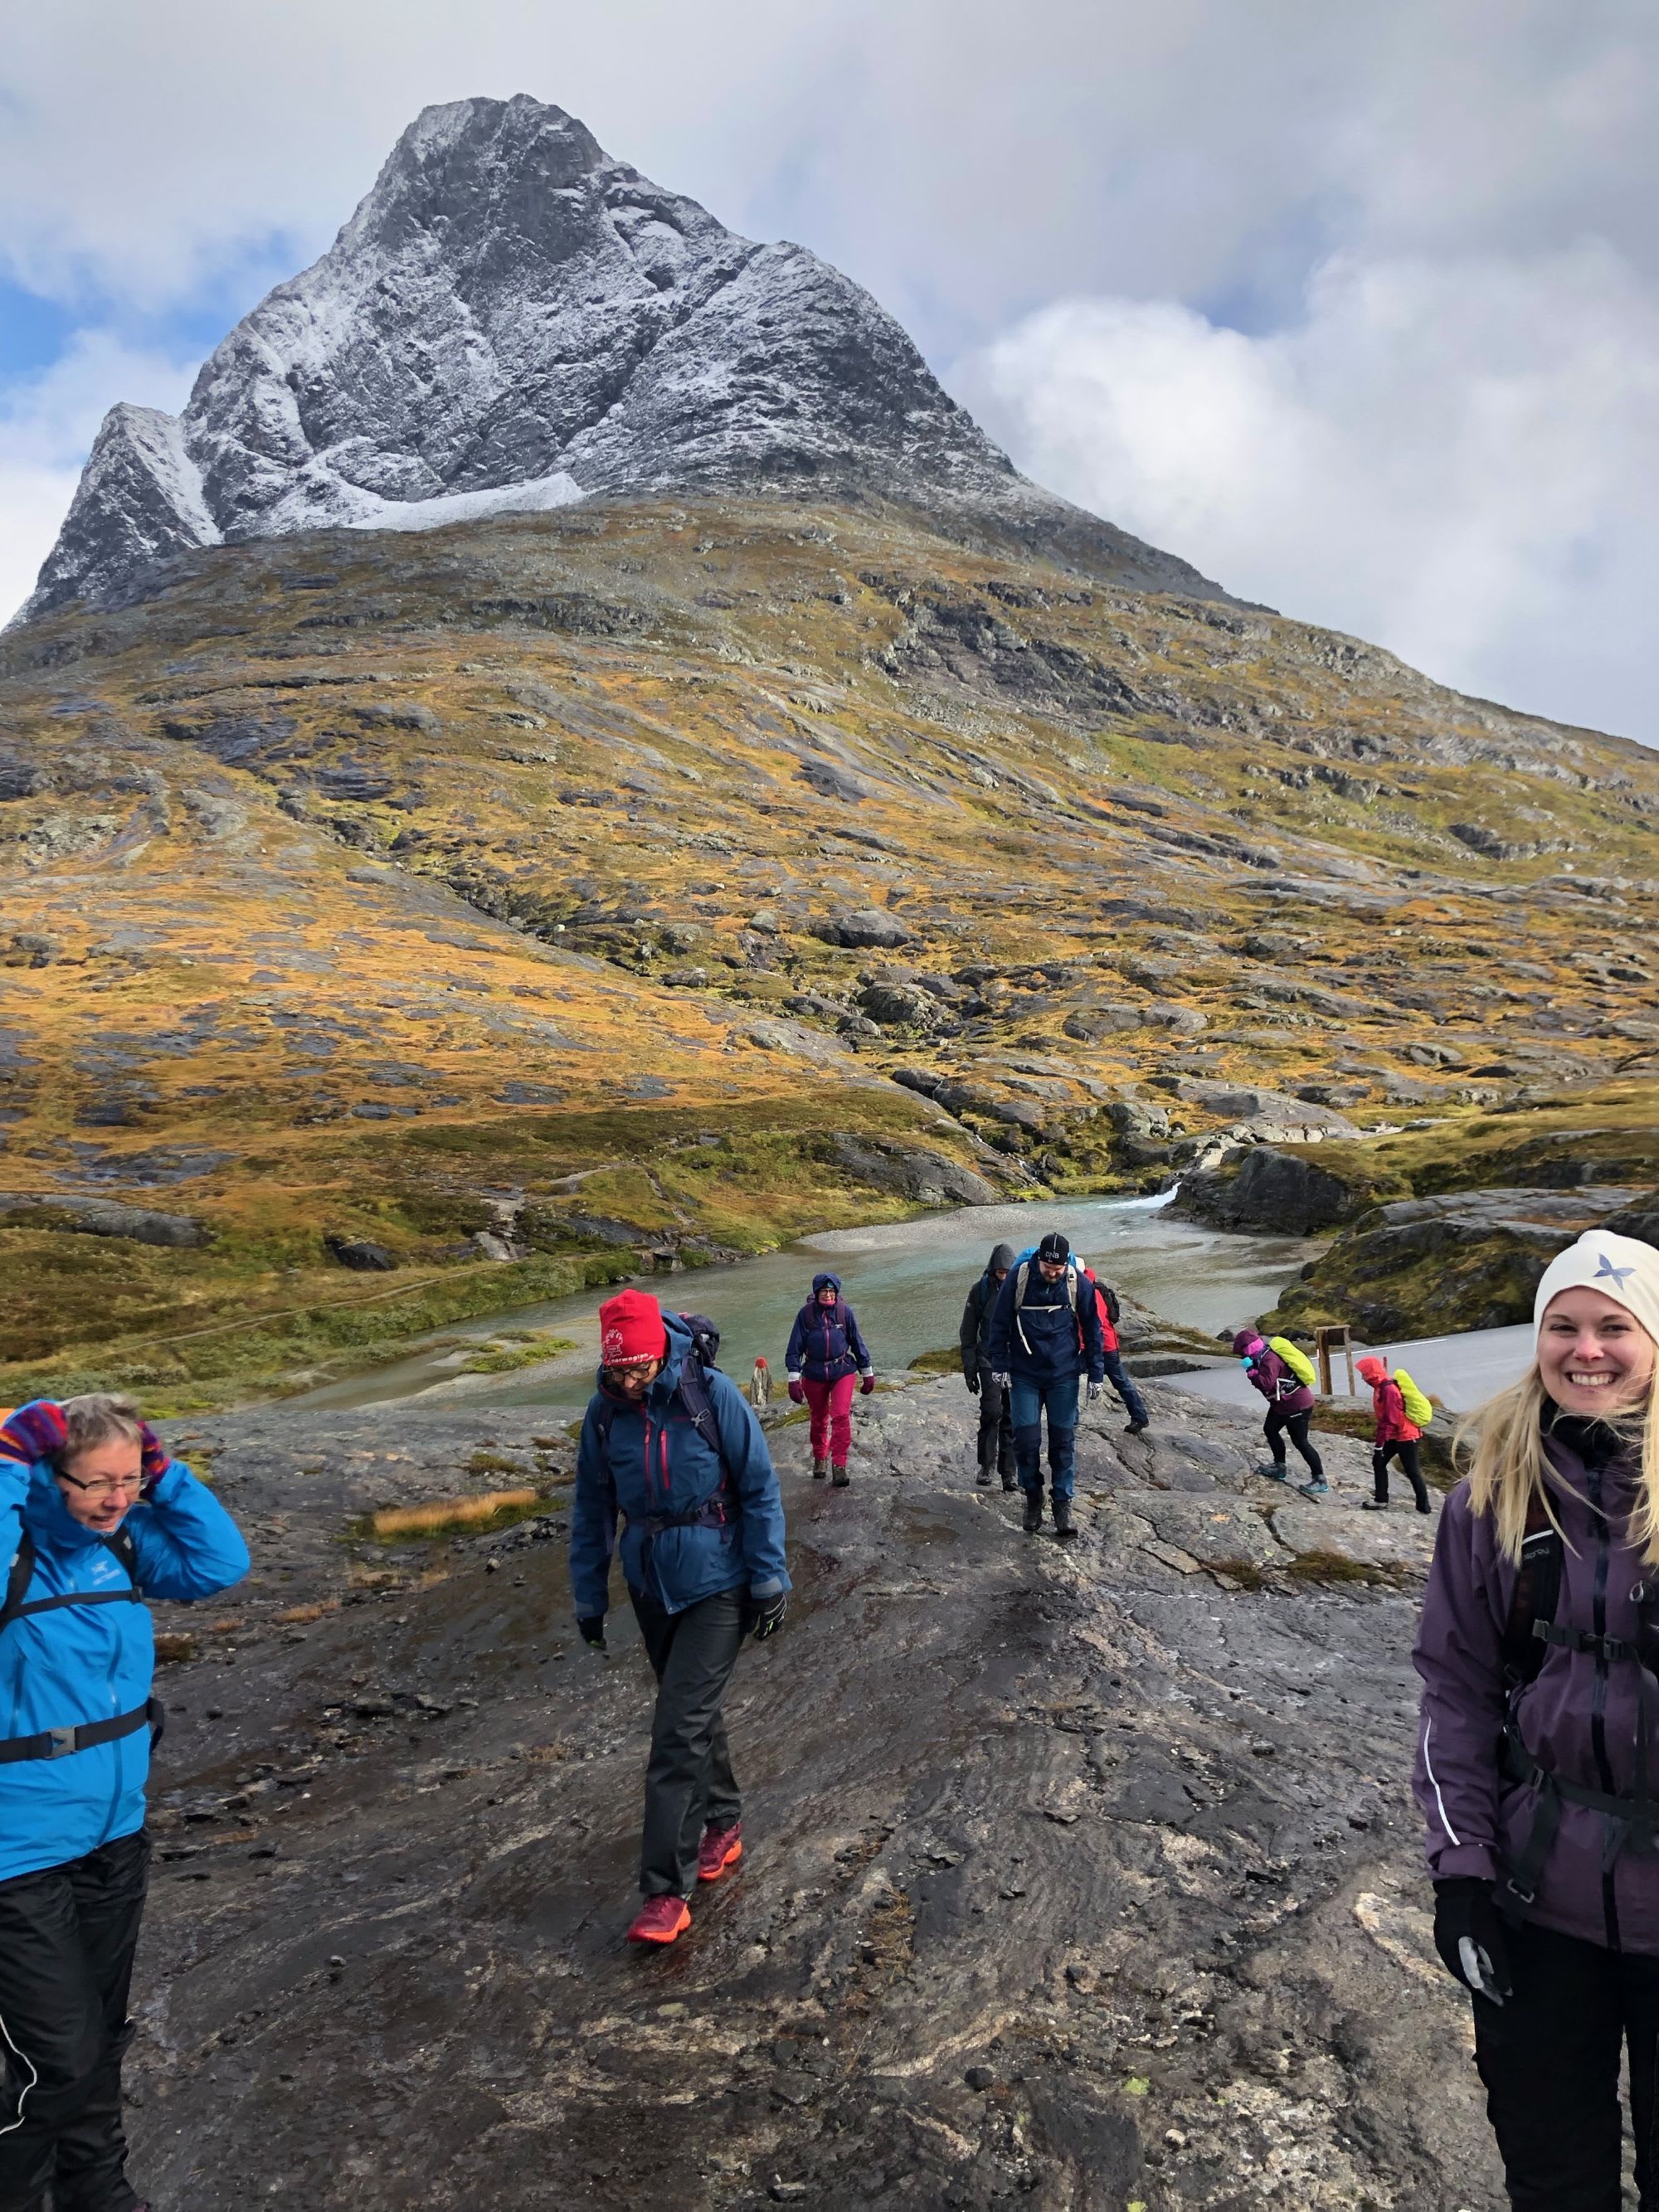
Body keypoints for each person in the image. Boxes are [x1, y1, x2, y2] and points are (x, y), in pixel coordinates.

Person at [1413, 1228, 1659, 2210]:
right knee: (1552, 2178)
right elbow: (1454, 1693)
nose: (1584, 1351)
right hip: (1536, 1901)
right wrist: (1461, 1877)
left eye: (1612, 1328)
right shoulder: (1488, 1500)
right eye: (1561, 1327)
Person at [0, 1393, 250, 2212]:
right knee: (54, 2059)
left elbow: (220, 1566)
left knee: (100, 2040)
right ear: (44, 1472)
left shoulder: (126, 1546)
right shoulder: (17, 1547)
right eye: (96, 1482)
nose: (115, 1499)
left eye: (127, 1480)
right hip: (16, 1854)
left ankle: (101, 2194)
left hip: (114, 1834)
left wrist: (165, 1475)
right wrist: (5, 1466)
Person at [570, 1288, 790, 1947]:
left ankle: (665, 1890)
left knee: (675, 1733)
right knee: (692, 1713)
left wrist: (770, 1576)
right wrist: (589, 1595)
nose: (631, 1383)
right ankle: (723, 1819)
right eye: (619, 1372)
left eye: (639, 1369)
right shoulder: (604, 1415)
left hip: (719, 1582)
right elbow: (590, 1509)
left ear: (660, 1352)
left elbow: (758, 1486)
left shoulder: (711, 1395)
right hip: (650, 1584)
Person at [986, 1231, 1105, 1539]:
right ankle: (1033, 1496)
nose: (1053, 1274)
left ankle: (1062, 1504)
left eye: (1059, 1269)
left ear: (1066, 1264)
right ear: (1039, 1259)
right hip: (1024, 1374)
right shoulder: (1019, 1279)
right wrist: (999, 1365)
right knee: (1025, 1441)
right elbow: (998, 1324)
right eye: (1048, 1268)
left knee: (1063, 1443)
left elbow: (1093, 1328)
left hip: (1064, 1374)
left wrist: (1096, 1373)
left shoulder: (1078, 1282)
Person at [785, 1272, 874, 1489]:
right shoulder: (805, 1315)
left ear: (837, 1293)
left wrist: (867, 1373)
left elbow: (857, 1342)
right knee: (818, 1418)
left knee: (841, 1415)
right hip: (814, 1372)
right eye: (824, 1291)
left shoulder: (845, 1313)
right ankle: (820, 1457)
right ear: (816, 1293)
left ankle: (839, 1464)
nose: (828, 1295)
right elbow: (794, 1347)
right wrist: (793, 1378)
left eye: (831, 1291)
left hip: (842, 1370)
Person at [1233, 1330, 1327, 1495]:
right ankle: (1279, 1467)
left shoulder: (1269, 1359)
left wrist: (1251, 1372)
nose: (1241, 1356)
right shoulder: (1262, 1356)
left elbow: (1266, 1384)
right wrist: (1254, 1367)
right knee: (1270, 1429)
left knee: (1300, 1442)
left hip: (1297, 1405)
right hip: (1282, 1405)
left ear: (1248, 1349)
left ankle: (1320, 1480)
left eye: (1242, 1353)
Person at [959, 1242, 1016, 1489]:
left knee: (1012, 1418)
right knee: (992, 1411)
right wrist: (969, 1368)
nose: (1003, 1277)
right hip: (988, 1360)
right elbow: (969, 1331)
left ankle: (1009, 1473)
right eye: (1000, 1272)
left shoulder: (1021, 1290)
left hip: (1016, 1362)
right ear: (993, 1270)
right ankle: (987, 1464)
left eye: (1007, 1273)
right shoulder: (979, 1291)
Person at [1080, 1265, 1151, 1436]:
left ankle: (1139, 1416)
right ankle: (1139, 1416)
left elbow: (1095, 1324)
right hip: (1107, 1344)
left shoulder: (1089, 1292)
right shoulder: (1091, 1287)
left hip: (1100, 1346)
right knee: (1121, 1382)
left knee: (1070, 1378)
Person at [1355, 1354, 1431, 1513]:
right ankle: (1381, 1499)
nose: (1362, 1377)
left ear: (1372, 1372)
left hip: (1406, 1436)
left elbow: (1391, 1419)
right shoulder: (1380, 1386)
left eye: (1364, 1373)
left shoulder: (1388, 1390)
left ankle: (1424, 1507)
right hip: (1396, 1435)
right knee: (1379, 1463)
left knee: (1412, 1470)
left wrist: (1380, 1444)